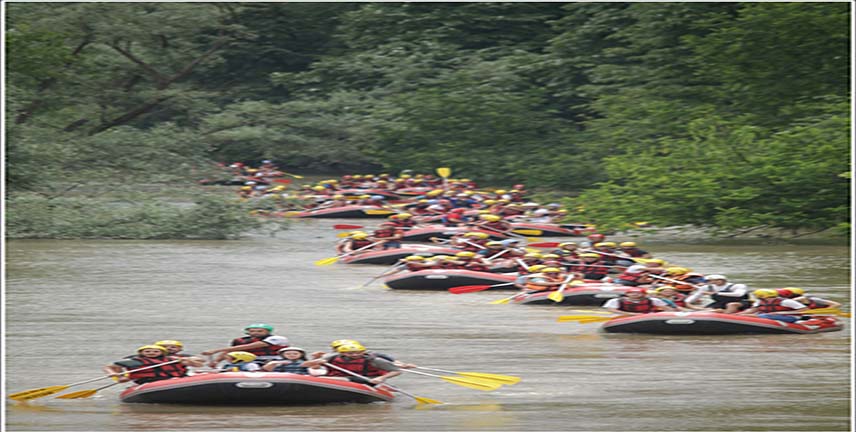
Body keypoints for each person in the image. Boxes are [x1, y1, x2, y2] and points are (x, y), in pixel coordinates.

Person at [304, 343, 402, 385]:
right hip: (337, 377)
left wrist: (381, 378)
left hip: (365, 379)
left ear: (363, 352)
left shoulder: (374, 360)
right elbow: (306, 365)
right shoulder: (331, 357)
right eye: (350, 353)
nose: (355, 355)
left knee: (320, 379)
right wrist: (316, 361)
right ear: (342, 353)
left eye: (358, 352)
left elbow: (396, 371)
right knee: (316, 378)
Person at [104, 345, 204, 385]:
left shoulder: (173, 359)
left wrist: (189, 360)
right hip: (149, 381)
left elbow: (199, 365)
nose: (151, 353)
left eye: (155, 351)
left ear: (162, 353)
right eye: (147, 351)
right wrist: (113, 374)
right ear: (141, 353)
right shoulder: (135, 361)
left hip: (177, 379)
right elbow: (109, 367)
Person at [201, 323, 289, 367]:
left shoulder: (278, 339)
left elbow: (252, 346)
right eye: (252, 331)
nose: (255, 333)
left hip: (275, 360)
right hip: (250, 361)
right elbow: (230, 350)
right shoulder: (240, 340)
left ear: (268, 332)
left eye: (260, 331)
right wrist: (216, 361)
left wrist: (215, 350)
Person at [685, 274, 750, 313]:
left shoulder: (737, 286)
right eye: (711, 281)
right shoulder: (707, 287)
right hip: (721, 303)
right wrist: (687, 302)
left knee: (731, 304)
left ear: (723, 280)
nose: (714, 282)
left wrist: (716, 293)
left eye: (717, 280)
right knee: (708, 309)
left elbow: (739, 294)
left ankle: (727, 316)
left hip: (741, 302)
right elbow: (696, 296)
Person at [737, 289, 809, 323]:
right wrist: (737, 315)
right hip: (766, 315)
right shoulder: (759, 301)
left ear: (761, 295)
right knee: (764, 315)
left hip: (790, 317)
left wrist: (782, 313)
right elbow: (752, 310)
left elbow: (805, 309)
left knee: (765, 315)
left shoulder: (785, 301)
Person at [602, 288, 673, 316]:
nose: (635, 294)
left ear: (644, 294)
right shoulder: (616, 300)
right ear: (627, 294)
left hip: (646, 315)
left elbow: (667, 308)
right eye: (632, 293)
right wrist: (632, 314)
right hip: (624, 316)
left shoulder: (653, 300)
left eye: (638, 293)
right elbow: (612, 310)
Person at [262, 347, 327, 375]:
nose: (292, 355)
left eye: (295, 354)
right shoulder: (279, 362)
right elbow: (267, 369)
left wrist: (317, 359)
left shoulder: (302, 362)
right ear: (283, 355)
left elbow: (305, 364)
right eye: (288, 354)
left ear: (301, 355)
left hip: (300, 376)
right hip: (282, 377)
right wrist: (273, 363)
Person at [777, 288, 842, 309]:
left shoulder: (814, 299)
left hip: (819, 311)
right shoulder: (790, 302)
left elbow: (837, 304)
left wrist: (826, 310)